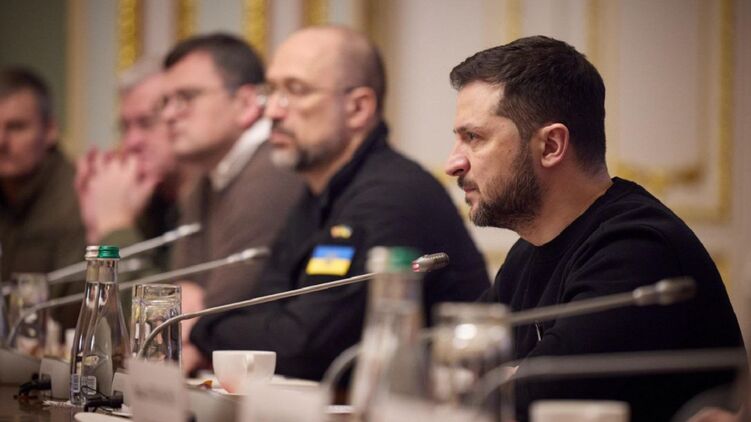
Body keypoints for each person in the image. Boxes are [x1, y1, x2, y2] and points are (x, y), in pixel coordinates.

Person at [445, 35, 744, 421]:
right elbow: (451, 369)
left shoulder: (637, 251)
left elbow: (520, 403)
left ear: (551, 146)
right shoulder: (528, 250)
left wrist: (502, 380)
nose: (453, 163)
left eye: (473, 138)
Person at [188, 26, 490, 380]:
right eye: (271, 91)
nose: (272, 111)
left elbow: (306, 349)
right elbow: (267, 307)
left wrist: (199, 328)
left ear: (358, 108)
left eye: (295, 91)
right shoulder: (319, 191)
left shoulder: (391, 196)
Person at [159, 33, 305, 368]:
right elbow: (175, 301)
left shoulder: (273, 170)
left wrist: (193, 316)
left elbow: (218, 315)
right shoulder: (207, 176)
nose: (168, 115)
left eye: (186, 97)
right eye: (165, 102)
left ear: (246, 103)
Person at [75, 58, 184, 272]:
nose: (131, 142)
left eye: (147, 123)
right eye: (124, 128)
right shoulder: (142, 200)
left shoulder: (208, 198)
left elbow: (166, 293)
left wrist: (115, 226)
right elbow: (98, 294)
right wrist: (96, 232)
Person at [0, 67, 86, 328]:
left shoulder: (78, 197)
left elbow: (69, 315)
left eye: (16, 127)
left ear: (49, 130)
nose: (1, 141)